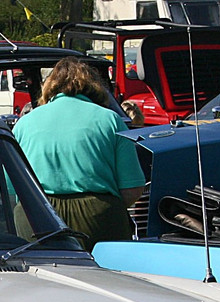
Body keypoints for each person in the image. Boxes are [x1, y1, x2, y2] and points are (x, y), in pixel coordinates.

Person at [12, 58, 145, 250]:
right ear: (94, 87)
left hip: (36, 216)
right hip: (98, 216)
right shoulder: (111, 120)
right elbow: (132, 188)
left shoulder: (24, 124)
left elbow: (10, 189)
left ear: (48, 86)